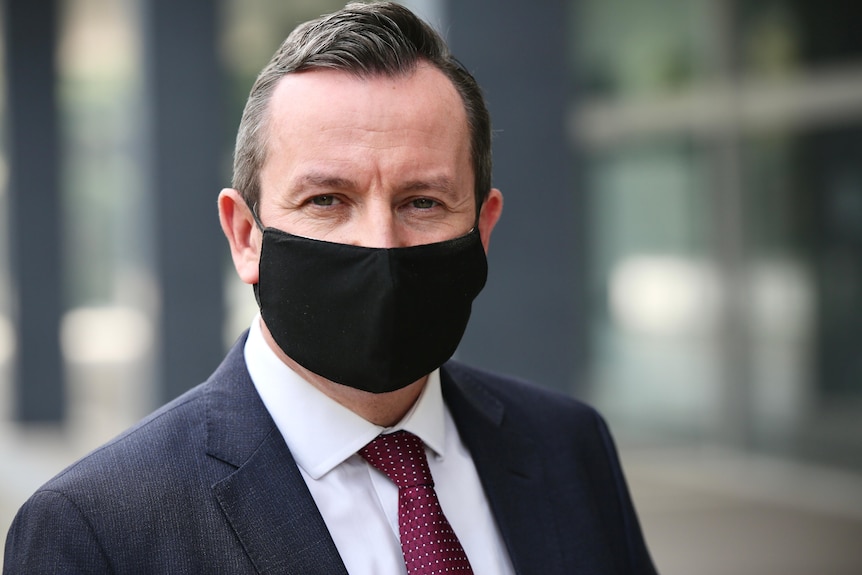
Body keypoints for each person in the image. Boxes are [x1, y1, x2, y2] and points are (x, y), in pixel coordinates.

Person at [3, 3, 657, 574]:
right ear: (245, 234)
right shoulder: (96, 530)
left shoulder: (570, 449)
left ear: (482, 228)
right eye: (326, 199)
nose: (380, 242)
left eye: (422, 201)